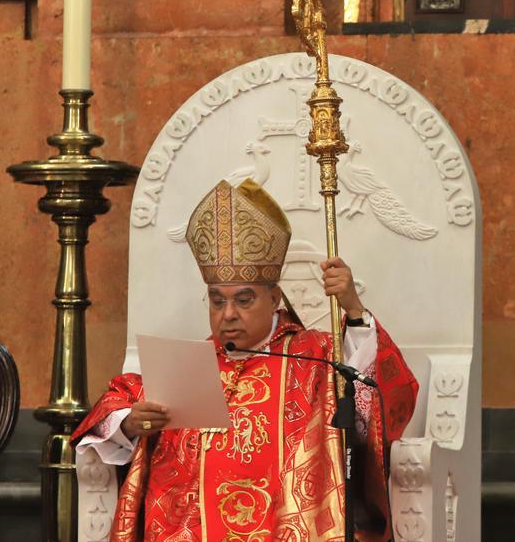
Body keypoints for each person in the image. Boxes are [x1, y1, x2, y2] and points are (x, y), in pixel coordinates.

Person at [73, 178, 420, 541]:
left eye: (244, 300)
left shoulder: (317, 358)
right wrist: (131, 422)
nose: (228, 315)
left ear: (274, 299)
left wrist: (354, 310)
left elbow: (380, 399)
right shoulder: (189, 364)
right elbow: (112, 405)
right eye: (217, 301)